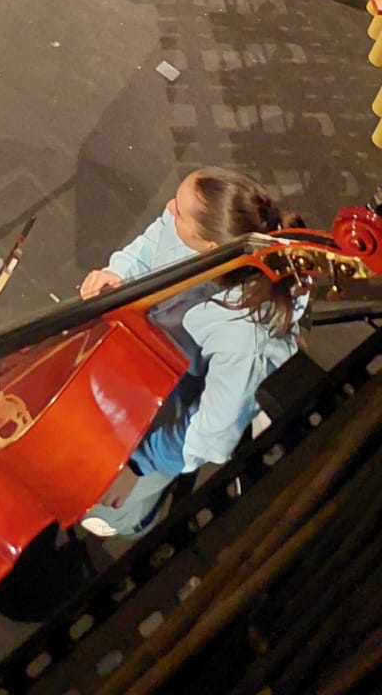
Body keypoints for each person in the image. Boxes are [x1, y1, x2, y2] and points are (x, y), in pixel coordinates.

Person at [77, 168, 302, 539]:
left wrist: (139, 465)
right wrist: (120, 275)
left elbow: (212, 431)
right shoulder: (203, 224)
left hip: (184, 385)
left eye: (179, 212)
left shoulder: (243, 335)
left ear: (211, 248)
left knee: (104, 508)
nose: (168, 208)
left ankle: (137, 516)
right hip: (149, 347)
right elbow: (152, 243)